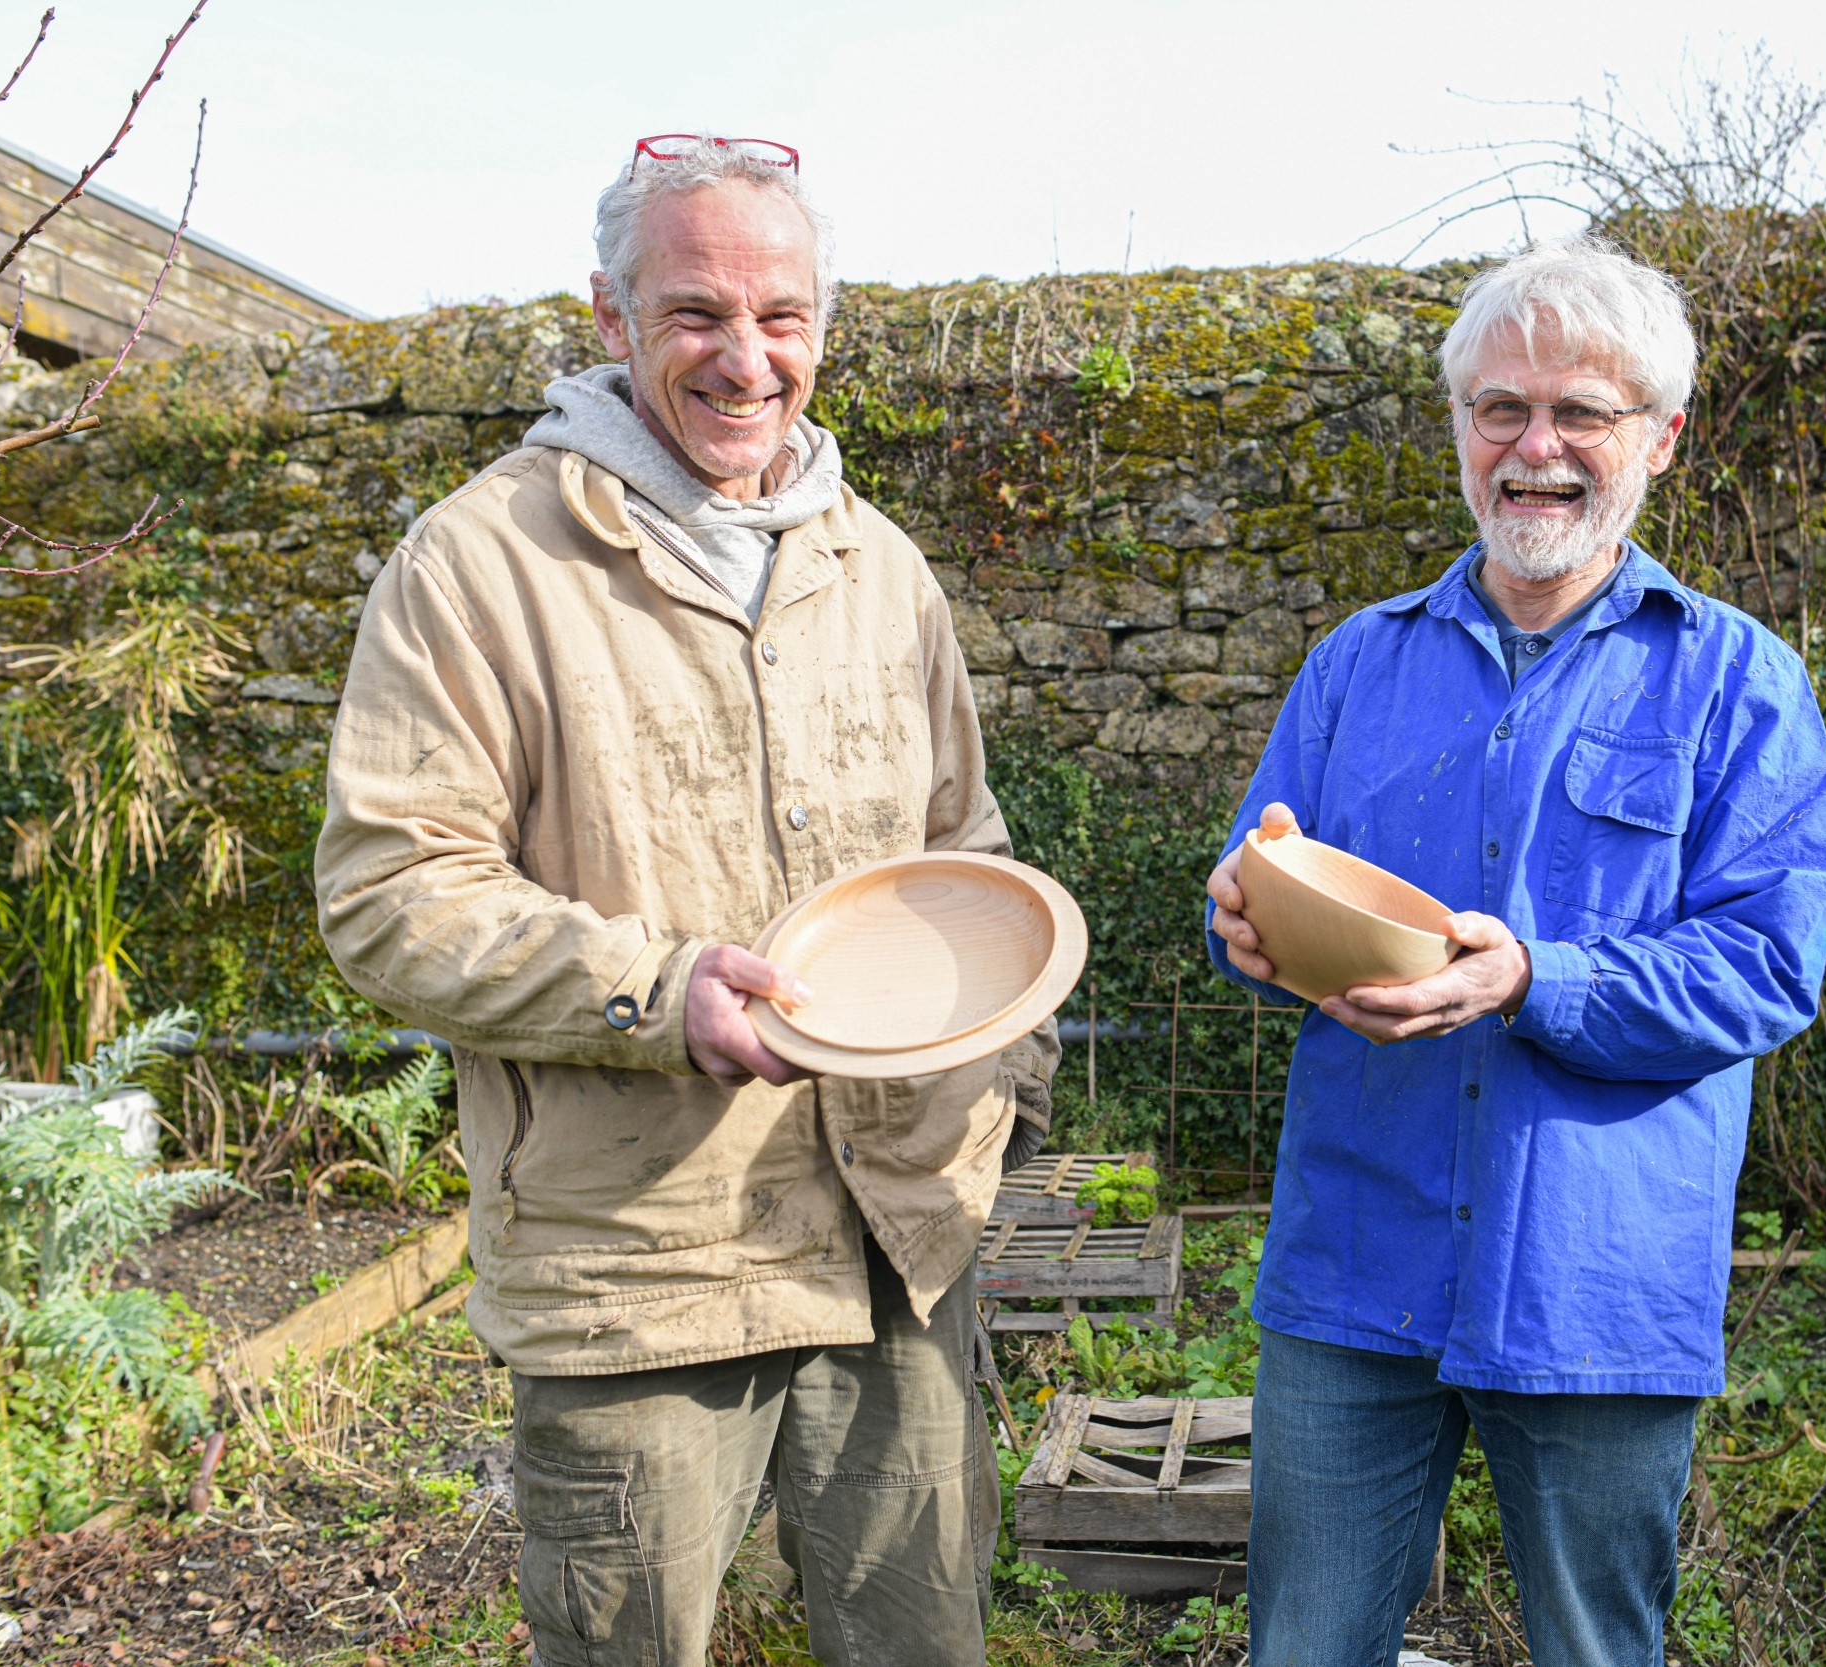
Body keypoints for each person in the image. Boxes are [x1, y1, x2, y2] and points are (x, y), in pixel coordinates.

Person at [314, 133, 1053, 1667]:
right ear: (609, 316)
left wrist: (1004, 1094)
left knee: (920, 1642)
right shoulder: (482, 562)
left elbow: (965, 847)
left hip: (896, 1233)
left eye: (780, 315)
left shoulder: (880, 567)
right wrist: (659, 987)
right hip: (642, 1261)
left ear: (822, 328)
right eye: (695, 312)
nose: (745, 355)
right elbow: (391, 889)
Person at [1204, 234, 1826, 1667]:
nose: (1534, 448)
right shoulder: (1355, 663)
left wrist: (1531, 978)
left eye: (1581, 415)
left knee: (1598, 1654)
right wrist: (1244, 919)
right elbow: (1253, 881)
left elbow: (1765, 964)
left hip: (1593, 1279)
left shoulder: (1740, 682)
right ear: (1458, 428)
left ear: (1660, 440)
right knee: (1304, 1648)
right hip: (1356, 1262)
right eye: (1501, 409)